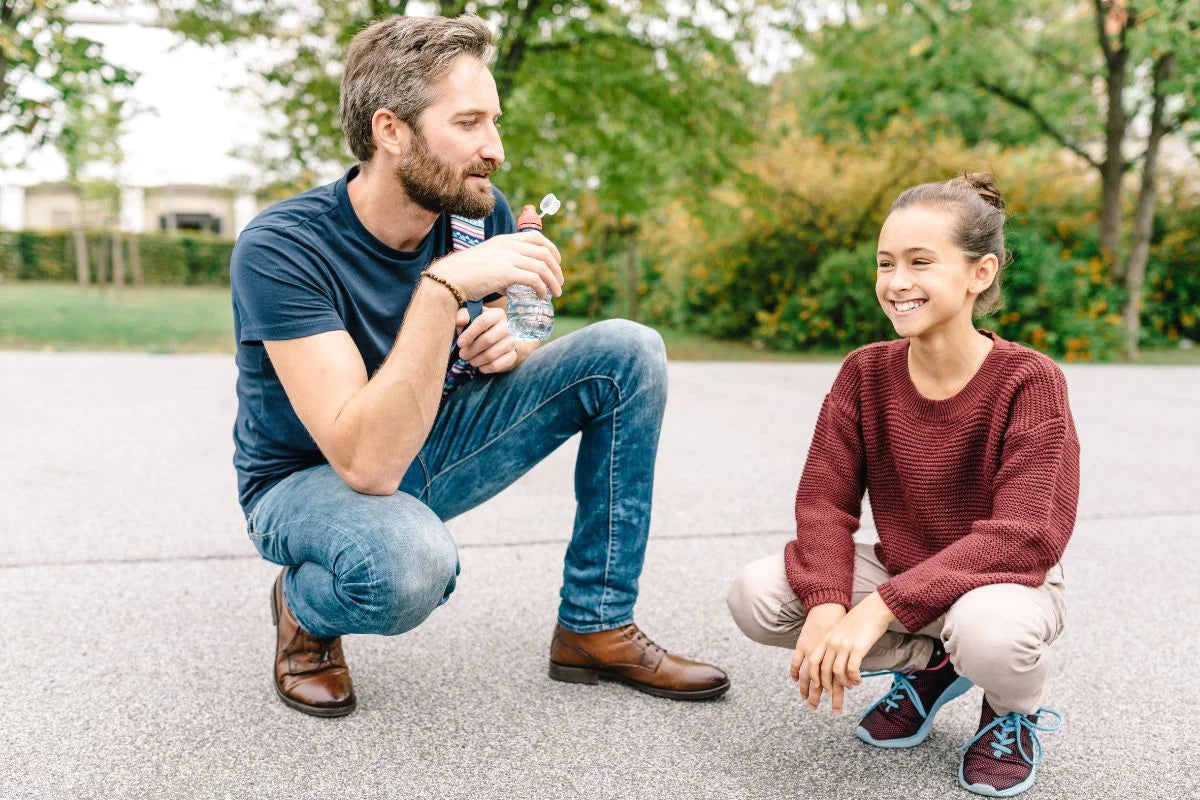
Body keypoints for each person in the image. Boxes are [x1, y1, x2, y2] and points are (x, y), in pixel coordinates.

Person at [230, 14, 729, 718]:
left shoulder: (476, 212)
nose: (493, 148)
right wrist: (442, 292)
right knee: (407, 568)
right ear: (390, 130)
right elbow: (365, 464)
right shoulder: (283, 249)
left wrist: (511, 342)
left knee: (628, 350)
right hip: (309, 482)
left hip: (434, 440)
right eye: (468, 123)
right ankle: (306, 613)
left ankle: (595, 625)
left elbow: (519, 321)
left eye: (493, 122)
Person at [726, 174, 1078, 797]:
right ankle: (934, 665)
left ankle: (1011, 711)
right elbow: (824, 503)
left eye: (921, 262)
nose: (896, 282)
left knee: (989, 635)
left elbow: (1027, 535)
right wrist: (830, 603)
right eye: (885, 263)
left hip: (1006, 585)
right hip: (906, 569)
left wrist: (878, 612)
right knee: (758, 595)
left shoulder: (1030, 381)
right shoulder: (865, 373)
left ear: (980, 272)